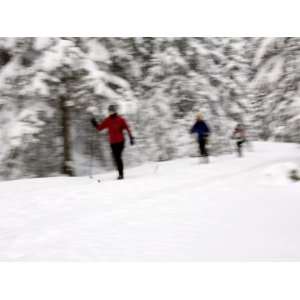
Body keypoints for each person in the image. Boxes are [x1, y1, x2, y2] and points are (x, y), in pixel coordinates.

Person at [91, 104, 134, 180]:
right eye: (109, 111)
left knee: (118, 157)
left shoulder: (120, 119)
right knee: (116, 158)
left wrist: (131, 137)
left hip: (120, 141)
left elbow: (127, 128)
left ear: (115, 111)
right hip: (112, 142)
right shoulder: (108, 120)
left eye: (112, 111)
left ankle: (121, 175)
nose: (110, 112)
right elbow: (100, 128)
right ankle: (120, 173)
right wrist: (94, 123)